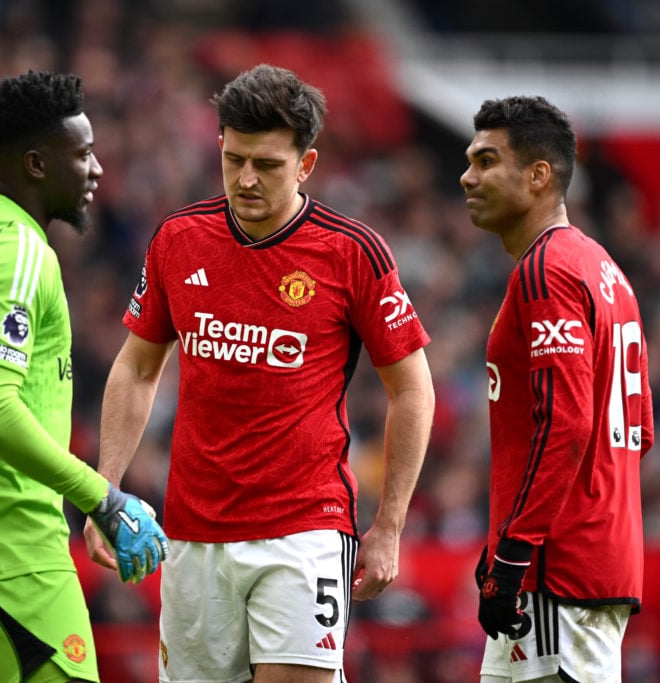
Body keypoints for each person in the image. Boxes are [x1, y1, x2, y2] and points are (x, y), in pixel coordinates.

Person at [84, 63, 436, 683]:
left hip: (303, 530)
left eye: (267, 165)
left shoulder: (353, 252)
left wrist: (389, 526)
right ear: (219, 145)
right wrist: (104, 494)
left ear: (306, 164)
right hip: (192, 533)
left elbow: (412, 389)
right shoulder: (177, 239)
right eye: (235, 158)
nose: (246, 179)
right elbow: (137, 370)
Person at [0, 70, 168, 683]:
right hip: (5, 543)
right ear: (38, 165)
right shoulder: (20, 250)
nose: (96, 169)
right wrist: (102, 496)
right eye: (84, 154)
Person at [459, 95, 655, 683]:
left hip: (556, 573)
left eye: (487, 160)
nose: (468, 176)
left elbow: (565, 424)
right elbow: (639, 432)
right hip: (585, 562)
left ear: (539, 175)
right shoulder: (605, 270)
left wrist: (514, 555)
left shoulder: (547, 270)